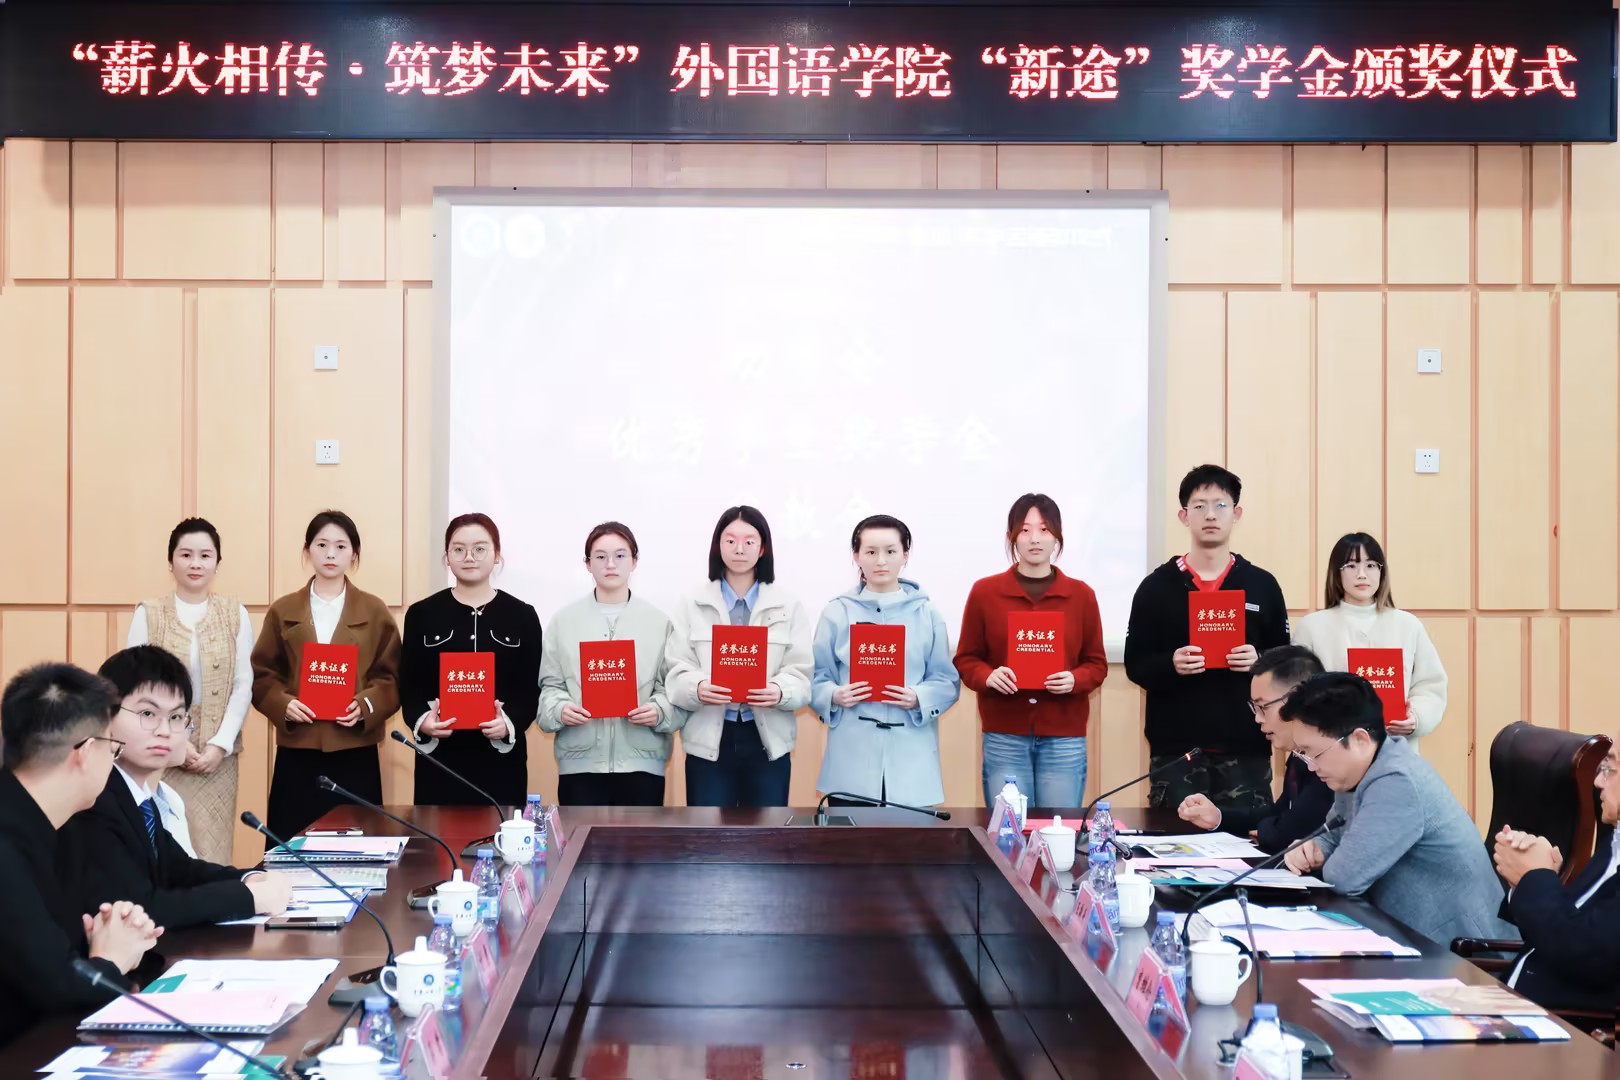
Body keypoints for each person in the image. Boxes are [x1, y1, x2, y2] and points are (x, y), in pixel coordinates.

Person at [58, 647, 294, 931]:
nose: (165, 731)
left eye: (176, 717)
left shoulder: (139, 798)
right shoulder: (95, 797)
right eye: (148, 713)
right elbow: (138, 909)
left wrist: (249, 878)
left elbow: (181, 870)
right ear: (104, 716)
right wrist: (248, 898)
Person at [1281, 672, 1511, 944]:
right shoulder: (1359, 770)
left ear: (1360, 740)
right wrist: (1313, 849)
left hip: (1462, 950)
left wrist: (1325, 853)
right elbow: (1334, 834)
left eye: (1314, 753)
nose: (1311, 766)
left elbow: (1343, 878)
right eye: (1304, 754)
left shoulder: (1397, 781)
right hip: (1407, 936)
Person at [0, 663, 163, 1046]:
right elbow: (57, 985)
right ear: (87, 752)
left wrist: (117, 939)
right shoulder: (8, 842)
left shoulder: (56, 822)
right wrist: (112, 960)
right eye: (113, 748)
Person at [1124, 465, 1290, 810]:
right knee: (1174, 839)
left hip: (1246, 746)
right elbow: (1135, 664)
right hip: (1176, 751)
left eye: (1220, 505)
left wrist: (1260, 661)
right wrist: (1171, 664)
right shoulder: (1156, 587)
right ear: (1184, 516)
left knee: (1248, 839)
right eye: (1199, 506)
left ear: (1236, 514)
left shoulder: (1262, 584)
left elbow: (1286, 662)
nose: (1210, 515)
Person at [250, 511, 402, 841]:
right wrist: (283, 704)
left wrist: (365, 705)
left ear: (354, 553)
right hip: (298, 750)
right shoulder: (283, 609)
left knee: (357, 848)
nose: (330, 554)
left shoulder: (374, 610)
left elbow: (391, 677)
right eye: (321, 545)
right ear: (307, 550)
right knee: (291, 847)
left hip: (355, 750)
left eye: (340, 546)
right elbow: (263, 675)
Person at [954, 494, 1108, 808]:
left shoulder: (1081, 595)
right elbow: (967, 658)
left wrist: (1075, 680)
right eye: (1025, 530)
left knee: (1058, 828)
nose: (1035, 539)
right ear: (1011, 536)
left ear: (1057, 537)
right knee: (1008, 828)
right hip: (1004, 734)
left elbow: (1096, 664)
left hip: (1064, 736)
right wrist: (988, 676)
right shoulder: (985, 592)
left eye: (1044, 529)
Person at [126, 517, 255, 865]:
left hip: (218, 760)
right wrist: (176, 744)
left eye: (205, 555)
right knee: (162, 851)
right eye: (186, 555)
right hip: (158, 752)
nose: (195, 563)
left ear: (217, 563)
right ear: (171, 561)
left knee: (213, 853)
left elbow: (243, 684)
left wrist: (220, 744)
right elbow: (133, 686)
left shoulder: (235, 614)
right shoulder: (149, 613)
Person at [665, 506, 813, 808]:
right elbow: (676, 671)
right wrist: (698, 688)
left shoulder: (788, 604)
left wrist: (780, 691)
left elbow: (801, 673)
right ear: (718, 546)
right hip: (709, 739)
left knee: (767, 833)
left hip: (767, 740)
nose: (739, 549)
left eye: (749, 541)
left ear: (763, 548)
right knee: (707, 832)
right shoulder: (692, 603)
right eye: (730, 540)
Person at [811, 515, 962, 808]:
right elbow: (815, 677)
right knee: (848, 836)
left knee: (909, 838)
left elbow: (947, 681)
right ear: (856, 556)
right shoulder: (837, 612)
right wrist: (834, 695)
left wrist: (919, 697)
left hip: (911, 760)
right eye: (870, 552)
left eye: (891, 551)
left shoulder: (927, 613)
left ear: (905, 554)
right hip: (851, 758)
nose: (881, 561)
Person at [402, 514, 543, 807]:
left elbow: (532, 688)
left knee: (501, 833)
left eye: (479, 549)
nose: (469, 557)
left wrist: (509, 722)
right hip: (439, 759)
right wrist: (423, 721)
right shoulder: (421, 614)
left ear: (496, 555)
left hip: (501, 760)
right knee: (436, 835)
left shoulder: (522, 615)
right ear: (447, 557)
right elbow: (409, 685)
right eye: (459, 549)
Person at [537, 522, 682, 806]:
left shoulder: (658, 622)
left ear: (634, 561)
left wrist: (658, 711)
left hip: (643, 764)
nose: (610, 564)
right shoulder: (564, 621)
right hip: (580, 766)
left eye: (620, 555)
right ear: (587, 564)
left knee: (640, 837)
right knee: (580, 836)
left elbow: (671, 688)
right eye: (600, 556)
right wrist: (560, 710)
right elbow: (550, 686)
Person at [1492, 740, 1620, 1012]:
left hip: (1564, 1026)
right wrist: (1533, 878)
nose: (1598, 781)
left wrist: (1534, 878)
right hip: (1512, 1005)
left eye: (1610, 768)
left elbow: (1587, 956)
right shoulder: (1615, 839)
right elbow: (1563, 934)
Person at [1292, 532, 1448, 750]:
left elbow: (1430, 686)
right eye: (1351, 565)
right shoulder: (1312, 626)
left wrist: (1416, 718)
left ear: (1382, 572)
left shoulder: (1408, 624)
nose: (1362, 574)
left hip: (1394, 748)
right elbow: (1296, 689)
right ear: (1336, 573)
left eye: (1371, 565)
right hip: (1332, 750)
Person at [1176, 645, 1332, 853]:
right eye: (1254, 708)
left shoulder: (1331, 755)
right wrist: (1218, 817)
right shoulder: (1299, 754)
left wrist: (1269, 831)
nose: (1258, 718)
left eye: (1263, 707)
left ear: (1296, 699)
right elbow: (1279, 814)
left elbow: (1292, 829)